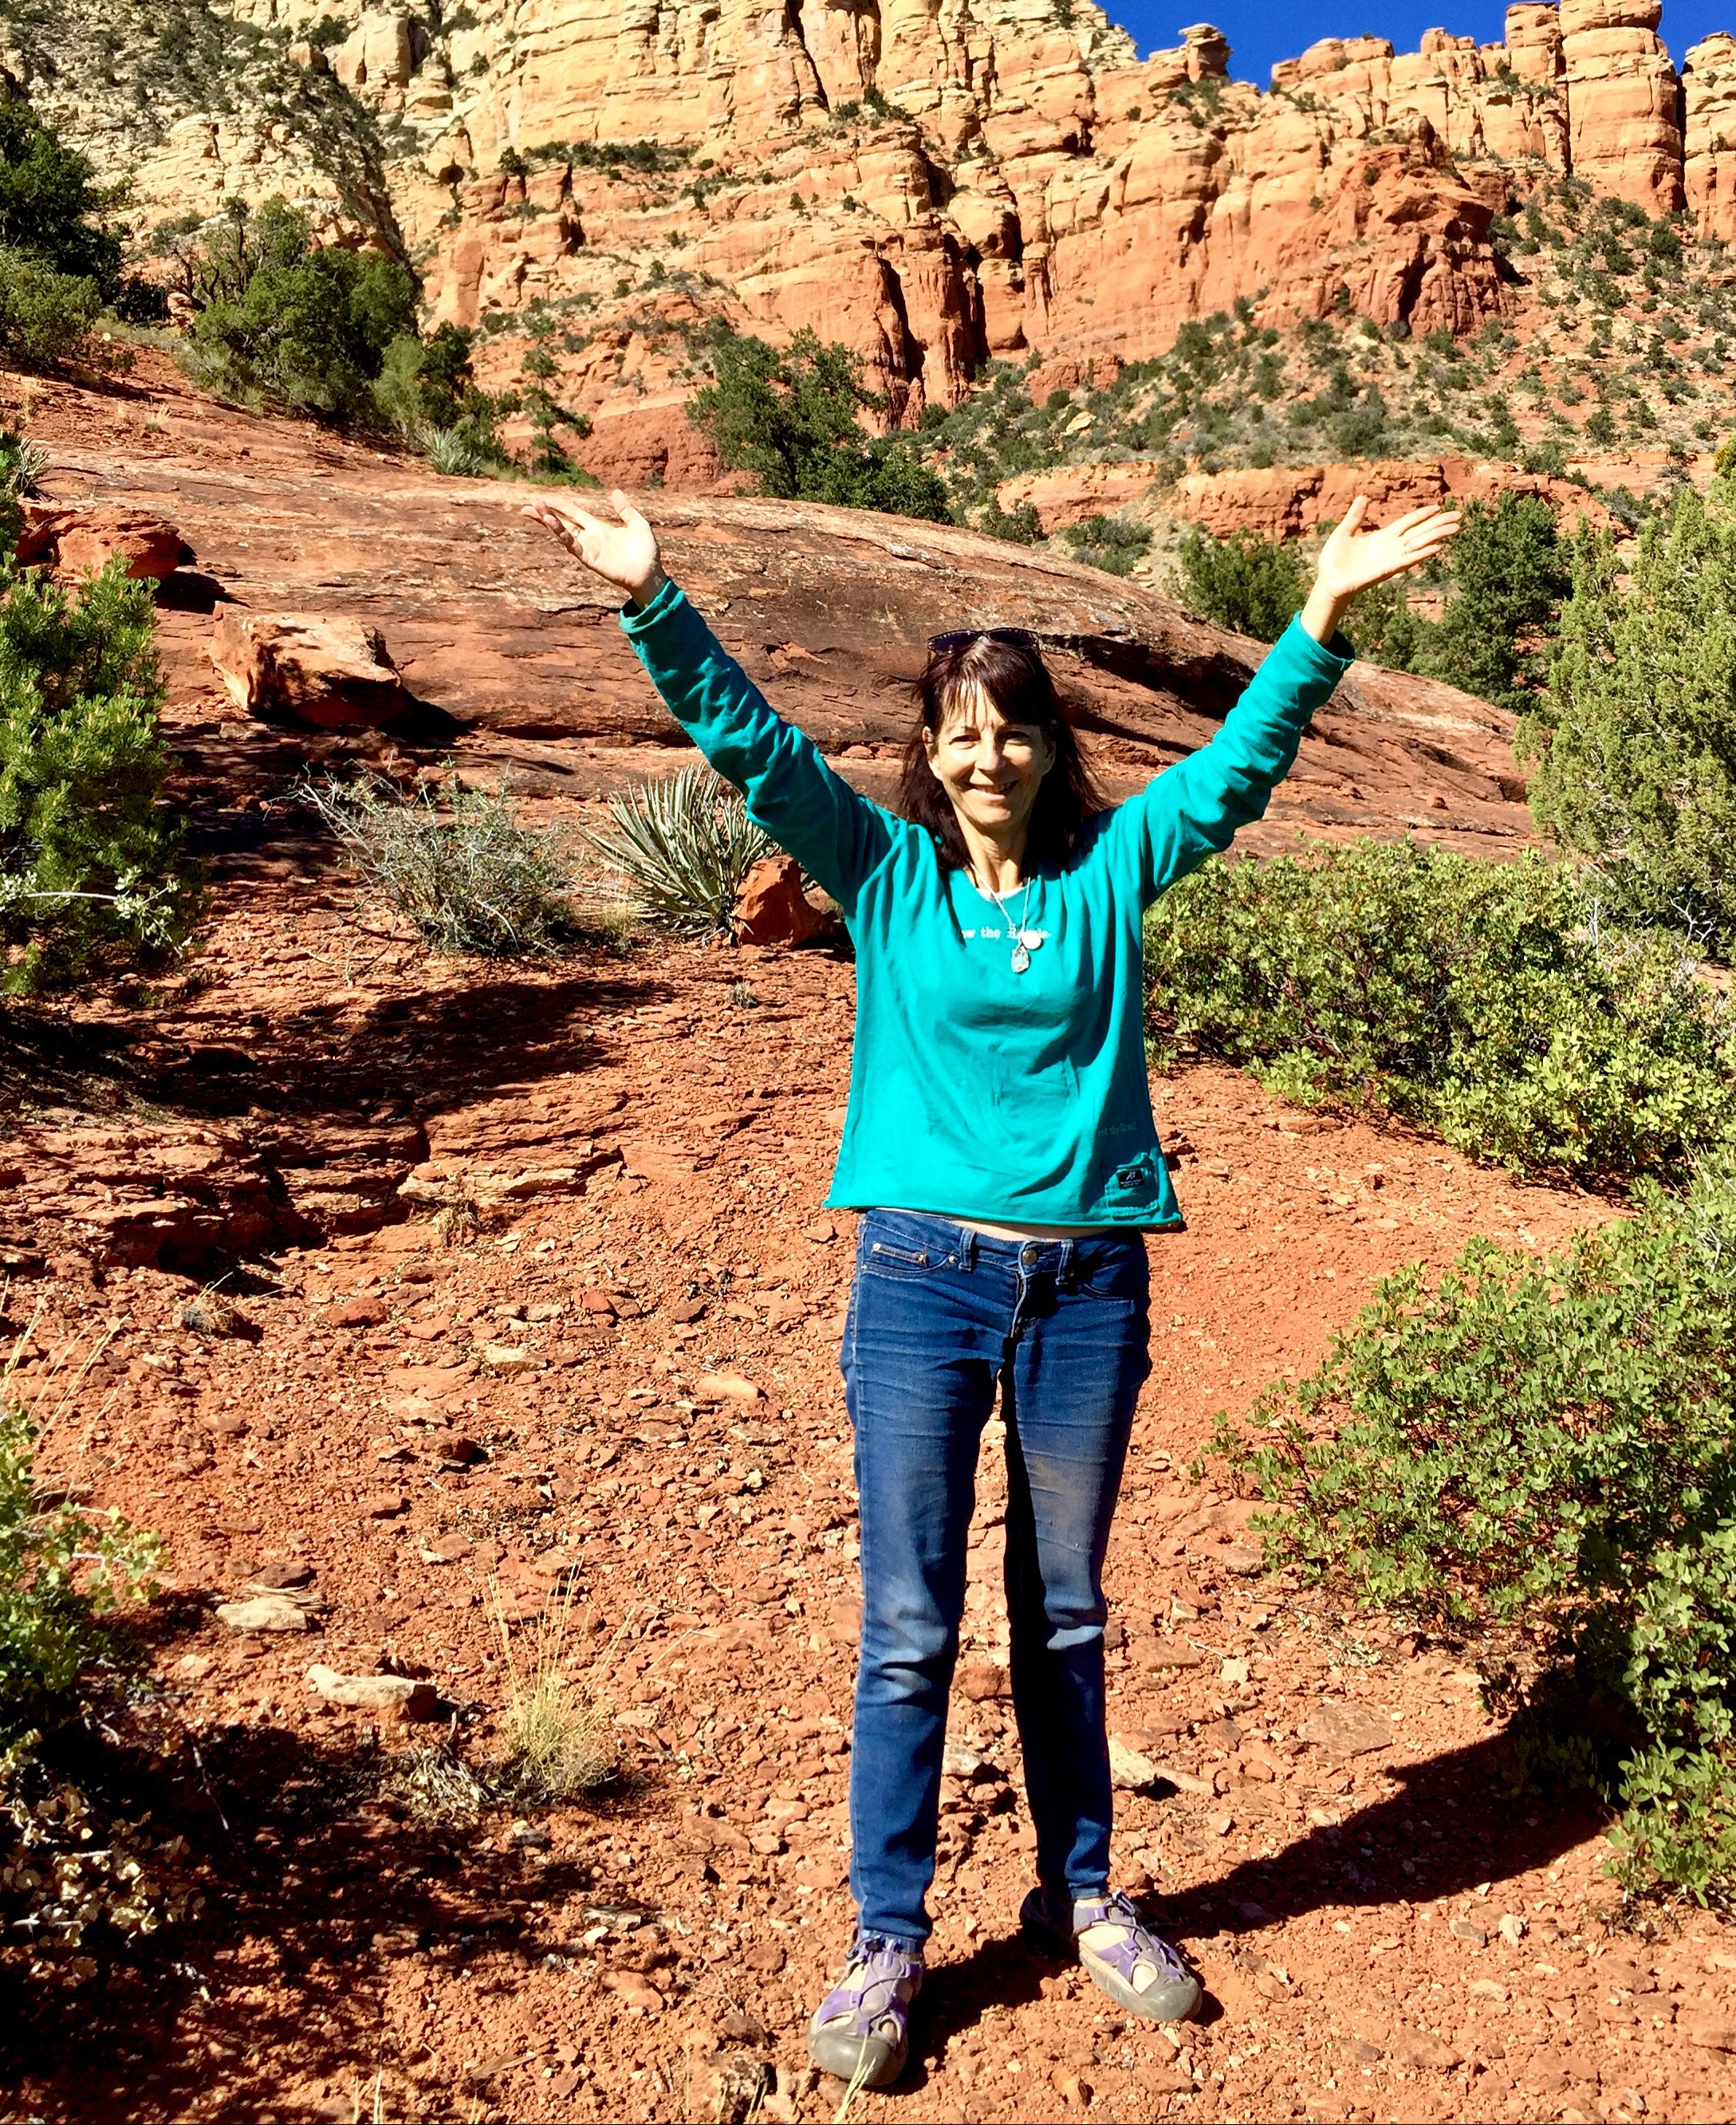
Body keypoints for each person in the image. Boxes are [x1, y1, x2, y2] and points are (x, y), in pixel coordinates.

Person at [523, 483, 1458, 2088]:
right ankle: (889, 1941)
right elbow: (753, 752)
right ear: (933, 750)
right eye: (959, 732)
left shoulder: (1114, 876)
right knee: (907, 1627)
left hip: (1087, 1289)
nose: (986, 757)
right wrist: (652, 597)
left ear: (1048, 751)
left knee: (1066, 1614)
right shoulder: (885, 875)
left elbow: (1236, 775)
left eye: (1013, 732)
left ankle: (1084, 1898)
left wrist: (1323, 612)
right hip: (919, 1287)